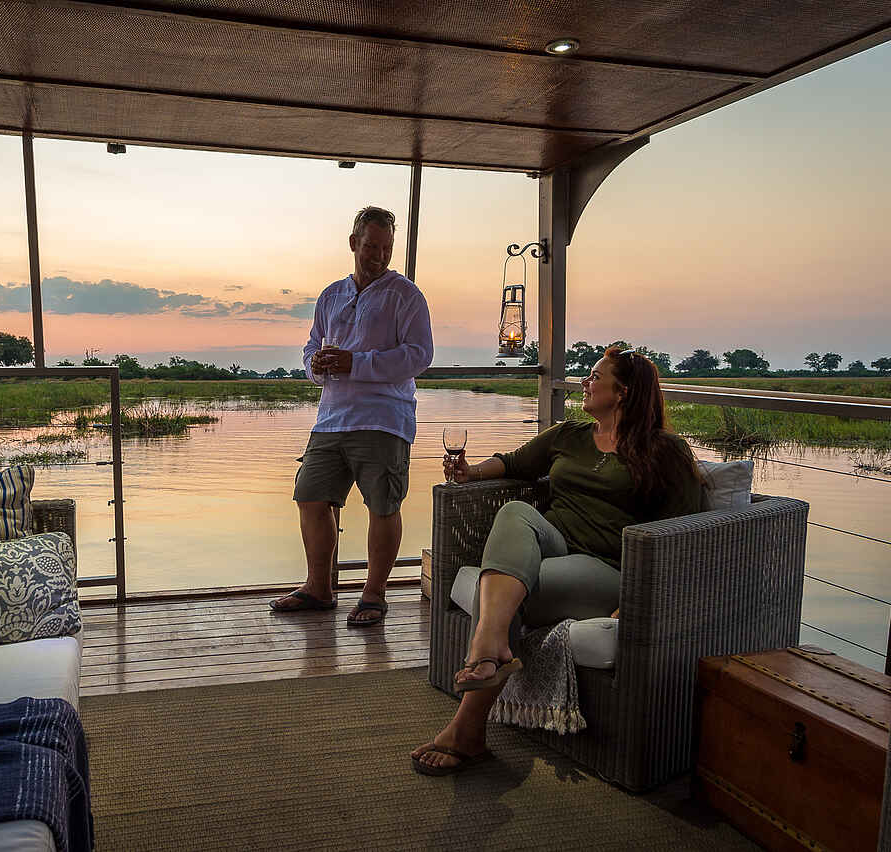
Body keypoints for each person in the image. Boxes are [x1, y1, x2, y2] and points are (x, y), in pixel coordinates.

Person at [410, 347, 703, 775]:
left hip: (604, 566)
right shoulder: (570, 434)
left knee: (501, 592)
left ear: (622, 392)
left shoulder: (665, 451)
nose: (585, 382)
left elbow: (685, 530)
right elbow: (514, 463)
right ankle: (490, 647)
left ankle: (468, 723)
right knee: (515, 512)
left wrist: (639, 598)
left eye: (595, 376)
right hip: (554, 543)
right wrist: (470, 473)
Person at [270, 206, 434, 627]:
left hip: (383, 418)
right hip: (331, 418)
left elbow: (419, 356)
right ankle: (319, 589)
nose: (379, 256)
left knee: (382, 505)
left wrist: (354, 363)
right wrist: (315, 366)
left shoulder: (406, 296)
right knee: (310, 496)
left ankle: (374, 594)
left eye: (386, 248)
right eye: (371, 247)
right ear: (353, 243)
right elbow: (312, 347)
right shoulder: (331, 295)